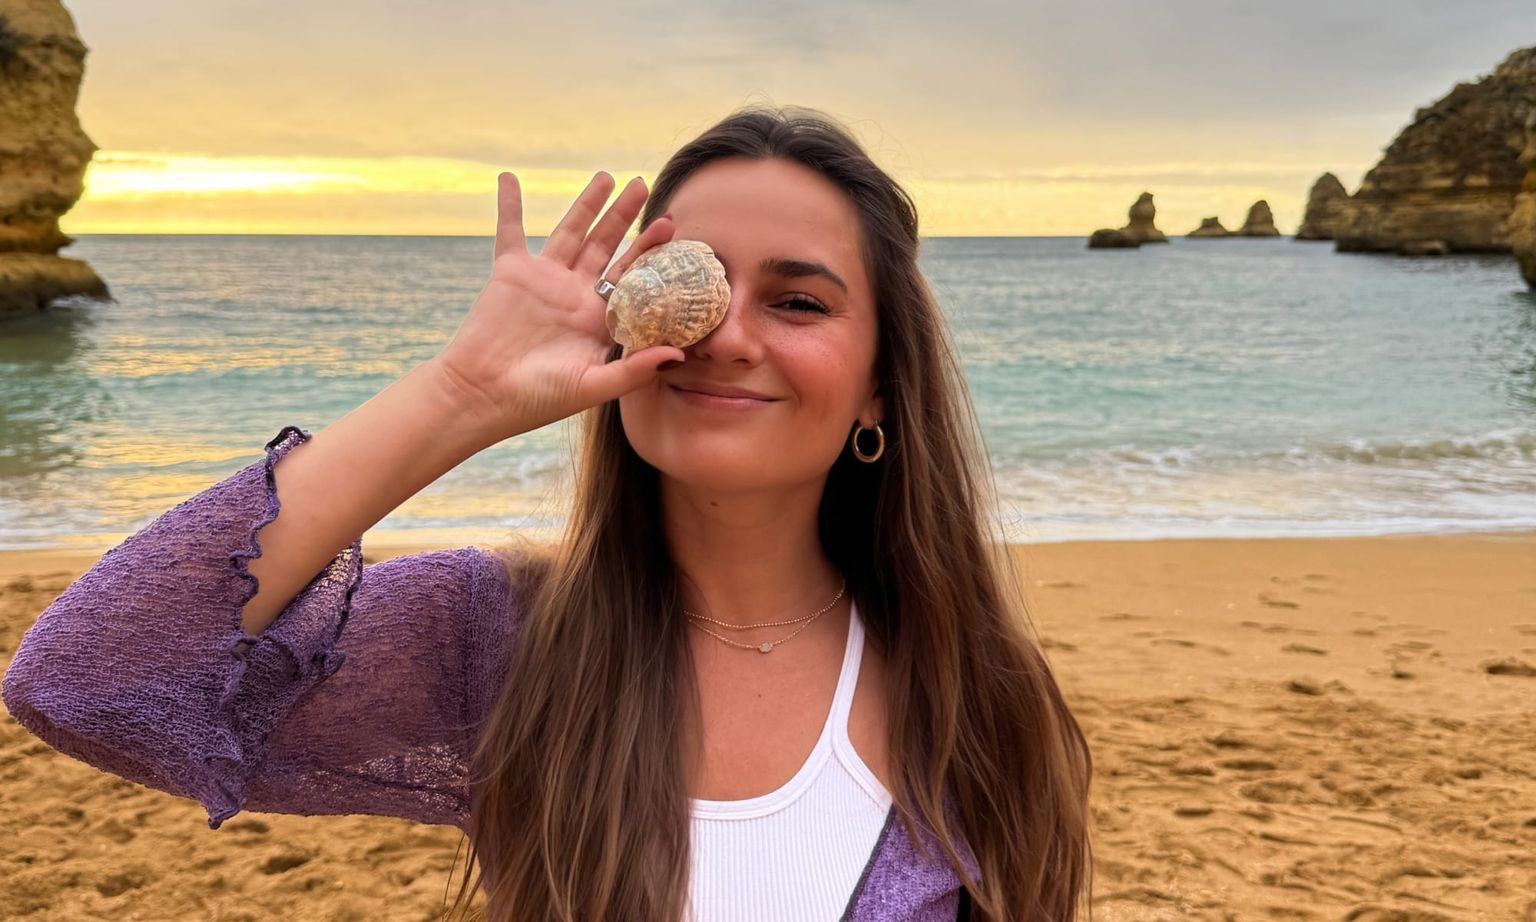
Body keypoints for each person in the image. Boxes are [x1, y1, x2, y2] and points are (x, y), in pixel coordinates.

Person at [2, 106, 1092, 921]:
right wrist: (458, 395)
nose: (722, 332)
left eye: (798, 300)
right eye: (693, 279)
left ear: (878, 387)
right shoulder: (500, 639)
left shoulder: (976, 694)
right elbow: (92, 682)